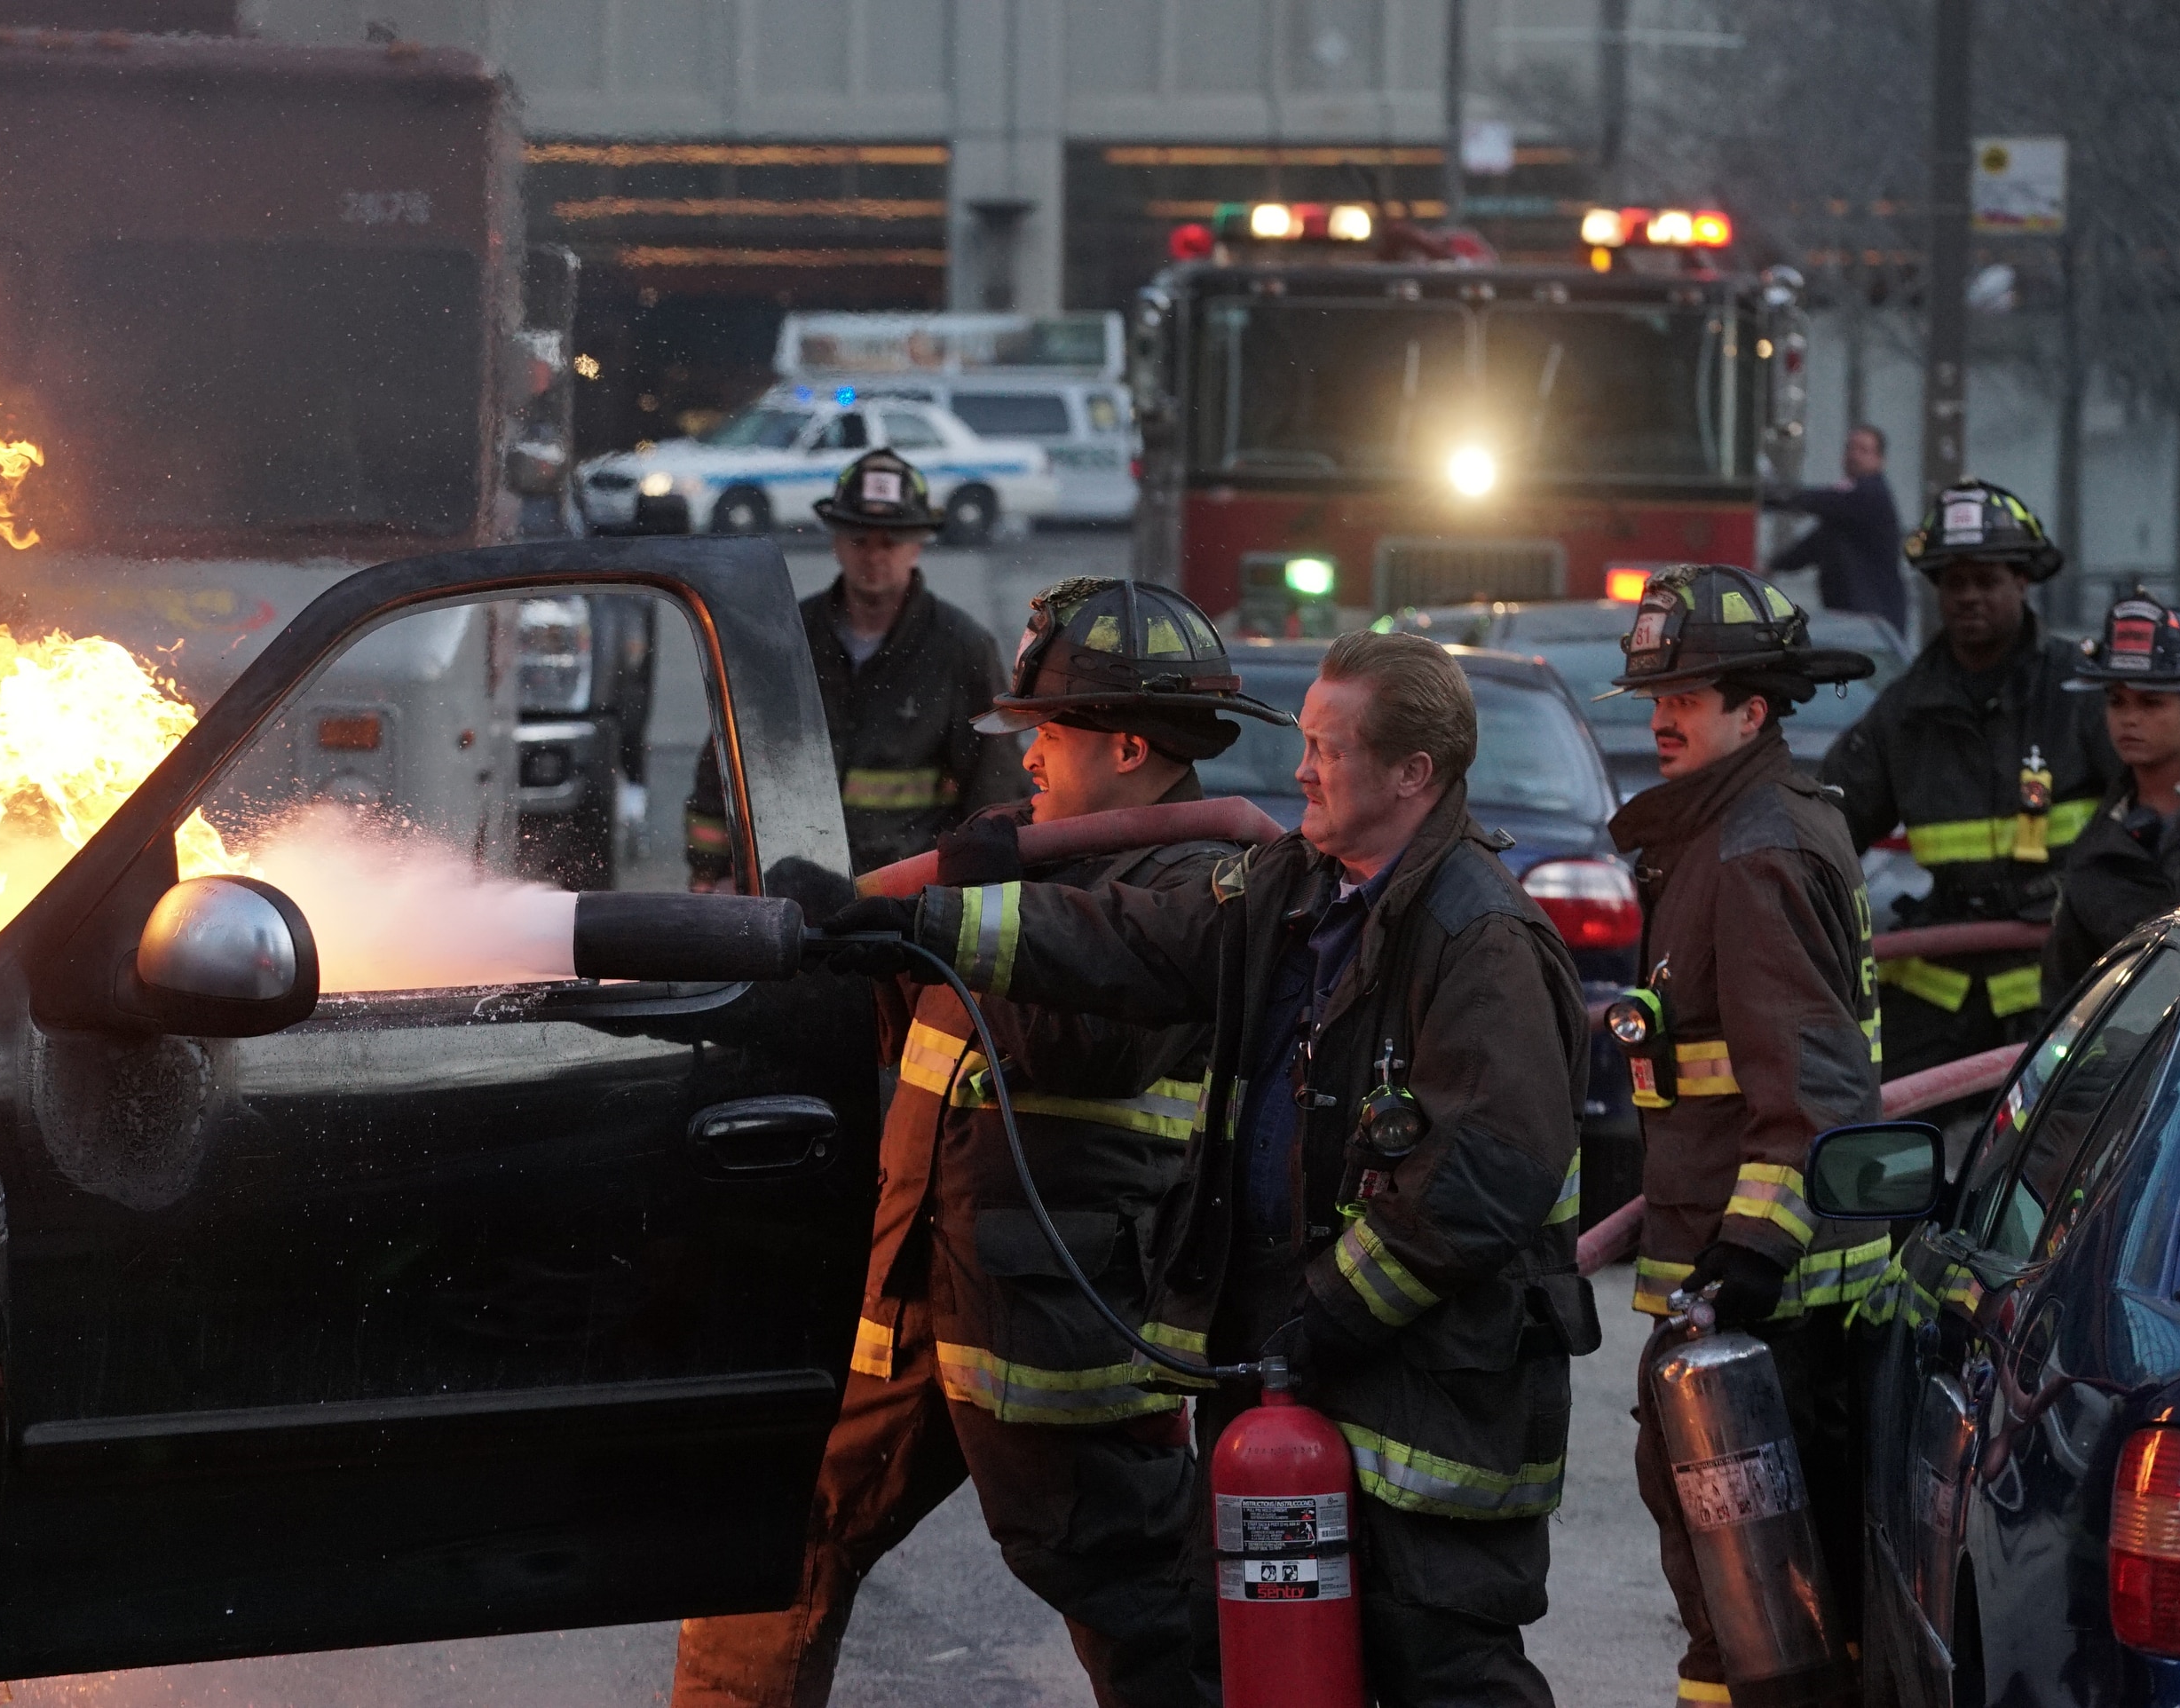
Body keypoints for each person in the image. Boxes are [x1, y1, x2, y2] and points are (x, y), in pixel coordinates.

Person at [830, 629, 1594, 1707]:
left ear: (1414, 773)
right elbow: (1130, 937)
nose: (1299, 770)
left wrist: (1324, 1313)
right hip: (1296, 1377)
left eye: (1328, 749)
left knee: (1441, 1670)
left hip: (1428, 1405)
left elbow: (1481, 1183)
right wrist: (923, 922)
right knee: (1250, 1657)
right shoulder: (1298, 888)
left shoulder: (1482, 942)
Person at [671, 581, 1291, 1708]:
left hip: (1059, 1334)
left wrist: (957, 914)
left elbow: (1080, 1033)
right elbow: (930, 1050)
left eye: (1049, 733)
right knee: (778, 1535)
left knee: (1142, 1610)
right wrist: (860, 954)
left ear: (1132, 746)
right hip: (918, 1293)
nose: (1031, 759)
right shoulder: (1035, 865)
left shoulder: (1198, 887)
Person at [1597, 565, 1888, 1708]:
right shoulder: (1728, 831)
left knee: (1761, 1614)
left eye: (1691, 695)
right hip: (1755, 1295)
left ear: (1754, 710)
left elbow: (1809, 1093)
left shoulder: (1752, 851)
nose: (1662, 716)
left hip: (1772, 1311)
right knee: (1754, 1604)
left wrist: (1745, 1262)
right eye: (1654, 696)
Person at [1821, 479, 2116, 1077]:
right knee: (1882, 1122)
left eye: (1987, 581)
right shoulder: (1906, 712)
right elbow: (1829, 824)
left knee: (2068, 1138)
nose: (1969, 597)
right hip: (1943, 977)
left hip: (2062, 976)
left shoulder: (2081, 691)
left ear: (2023, 582)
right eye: (1955, 583)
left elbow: (2147, 817)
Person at [683, 448, 1026, 885]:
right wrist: (707, 875)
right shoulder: (785, 640)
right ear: (835, 540)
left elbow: (994, 783)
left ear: (918, 545)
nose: (874, 556)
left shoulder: (961, 649)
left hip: (908, 899)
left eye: (891, 541)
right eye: (859, 539)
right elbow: (724, 762)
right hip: (788, 891)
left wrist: (975, 888)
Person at [2042, 590, 2180, 999]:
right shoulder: (2095, 851)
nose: (2129, 719)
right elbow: (2065, 994)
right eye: (2116, 702)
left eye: (2151, 702)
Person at [1766, 424, 1907, 634]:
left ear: (1880, 460)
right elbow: (1812, 547)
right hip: (1849, 614)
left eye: (1864, 450)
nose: (1854, 455)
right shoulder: (1843, 513)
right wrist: (1773, 566)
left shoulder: (1870, 495)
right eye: (1850, 448)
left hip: (1872, 615)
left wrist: (1768, 496)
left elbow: (1821, 501)